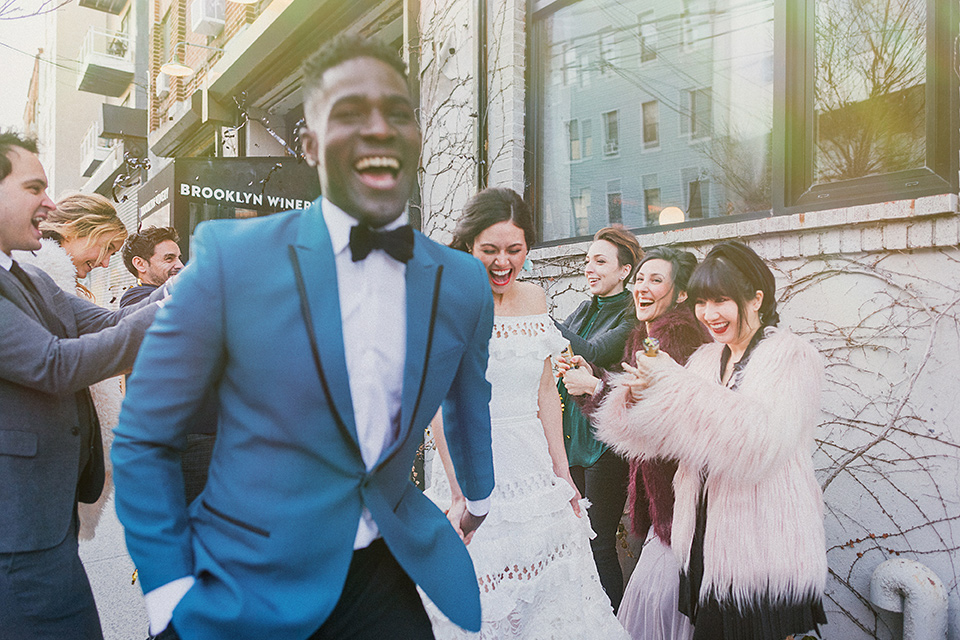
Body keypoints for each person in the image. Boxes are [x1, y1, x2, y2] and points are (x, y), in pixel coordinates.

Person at [111, 35, 496, 640]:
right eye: (349, 114)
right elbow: (144, 436)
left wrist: (479, 498)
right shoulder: (228, 257)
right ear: (310, 145)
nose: (378, 129)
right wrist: (170, 588)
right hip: (244, 580)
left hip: (382, 577)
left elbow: (469, 399)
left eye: (397, 113)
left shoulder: (464, 280)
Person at [592, 241, 828, 640]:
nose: (709, 314)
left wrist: (675, 384)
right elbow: (659, 439)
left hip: (761, 549)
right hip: (701, 541)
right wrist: (632, 399)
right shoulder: (706, 358)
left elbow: (757, 443)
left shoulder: (791, 356)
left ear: (756, 298)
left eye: (721, 301)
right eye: (702, 302)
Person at [421, 187, 628, 639]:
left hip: (533, 469)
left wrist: (562, 474)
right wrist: (460, 493)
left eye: (514, 250)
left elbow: (543, 393)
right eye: (489, 250)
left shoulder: (535, 300)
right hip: (470, 464)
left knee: (551, 603)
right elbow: (437, 404)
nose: (502, 263)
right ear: (468, 245)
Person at [0, 131, 163, 639]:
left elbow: (106, 324)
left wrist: (183, 291)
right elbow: (55, 365)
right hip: (16, 527)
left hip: (46, 516)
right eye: (34, 187)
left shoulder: (26, 276)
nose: (50, 203)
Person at [560, 246, 710, 640]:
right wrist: (589, 378)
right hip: (667, 505)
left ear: (680, 294)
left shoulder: (676, 338)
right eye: (640, 279)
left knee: (659, 613)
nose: (642, 288)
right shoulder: (646, 336)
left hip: (687, 505)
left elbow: (654, 423)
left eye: (655, 280)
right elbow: (627, 418)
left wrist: (594, 386)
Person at [13, 192, 129, 541]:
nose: (107, 263)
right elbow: (57, 363)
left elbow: (117, 323)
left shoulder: (58, 282)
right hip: (39, 475)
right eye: (107, 248)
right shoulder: (34, 278)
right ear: (80, 229)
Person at [554, 225, 640, 612]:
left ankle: (613, 624)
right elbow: (561, 348)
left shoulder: (630, 313)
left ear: (625, 270)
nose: (589, 268)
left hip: (604, 447)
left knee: (599, 542)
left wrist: (532, 310)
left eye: (600, 261)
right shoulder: (587, 306)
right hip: (571, 441)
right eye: (587, 260)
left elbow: (592, 350)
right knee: (573, 540)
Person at [119, 226, 183, 308]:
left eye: (179, 258)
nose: (180, 265)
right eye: (169, 258)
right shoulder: (135, 299)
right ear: (140, 264)